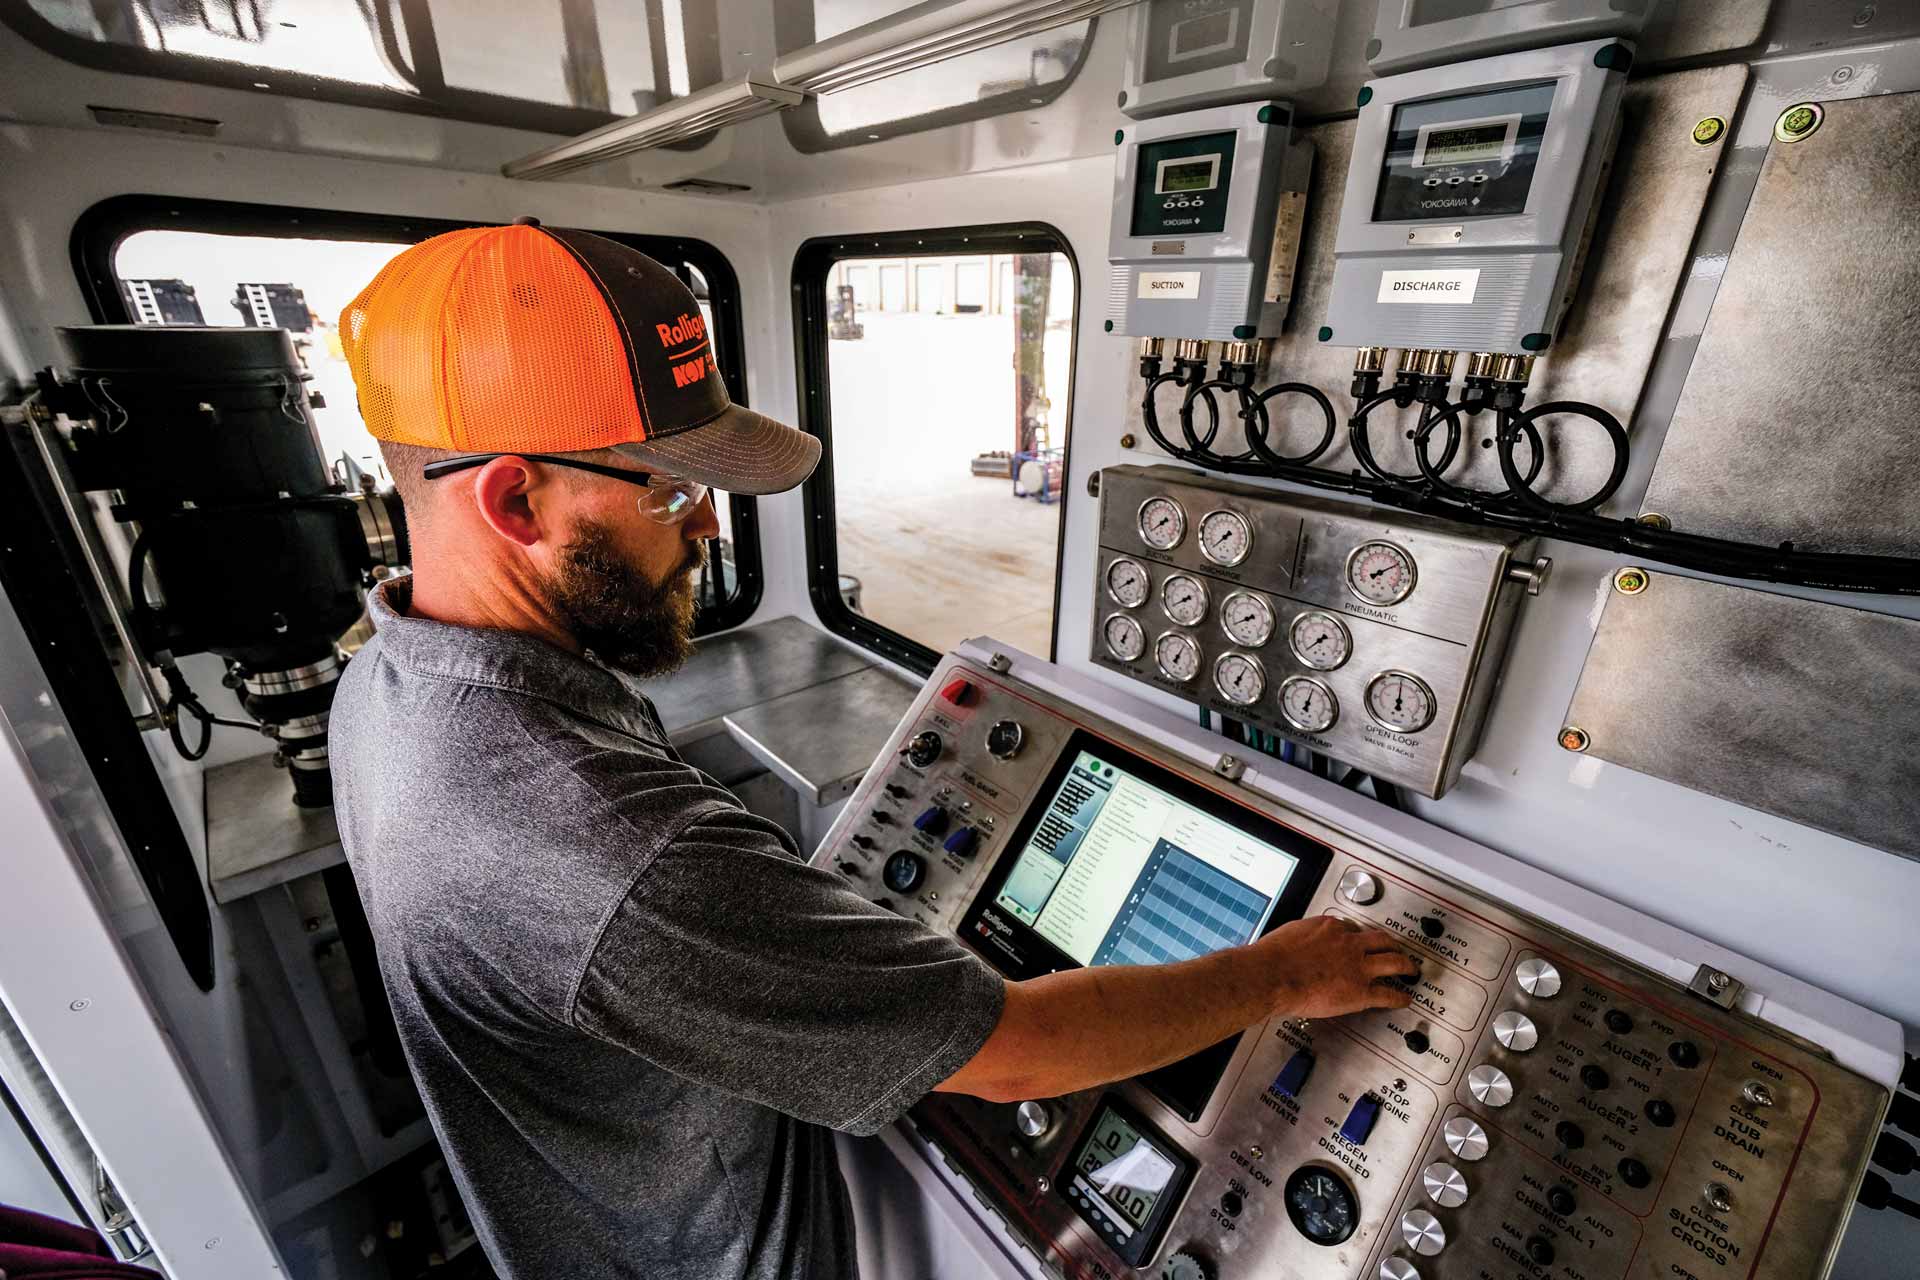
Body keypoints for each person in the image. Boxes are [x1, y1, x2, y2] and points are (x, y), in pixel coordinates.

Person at [329, 219, 1418, 1280]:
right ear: (514, 499)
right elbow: (1015, 1054)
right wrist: (1284, 969)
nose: (706, 526)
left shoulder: (385, 679)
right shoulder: (606, 849)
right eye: (671, 489)